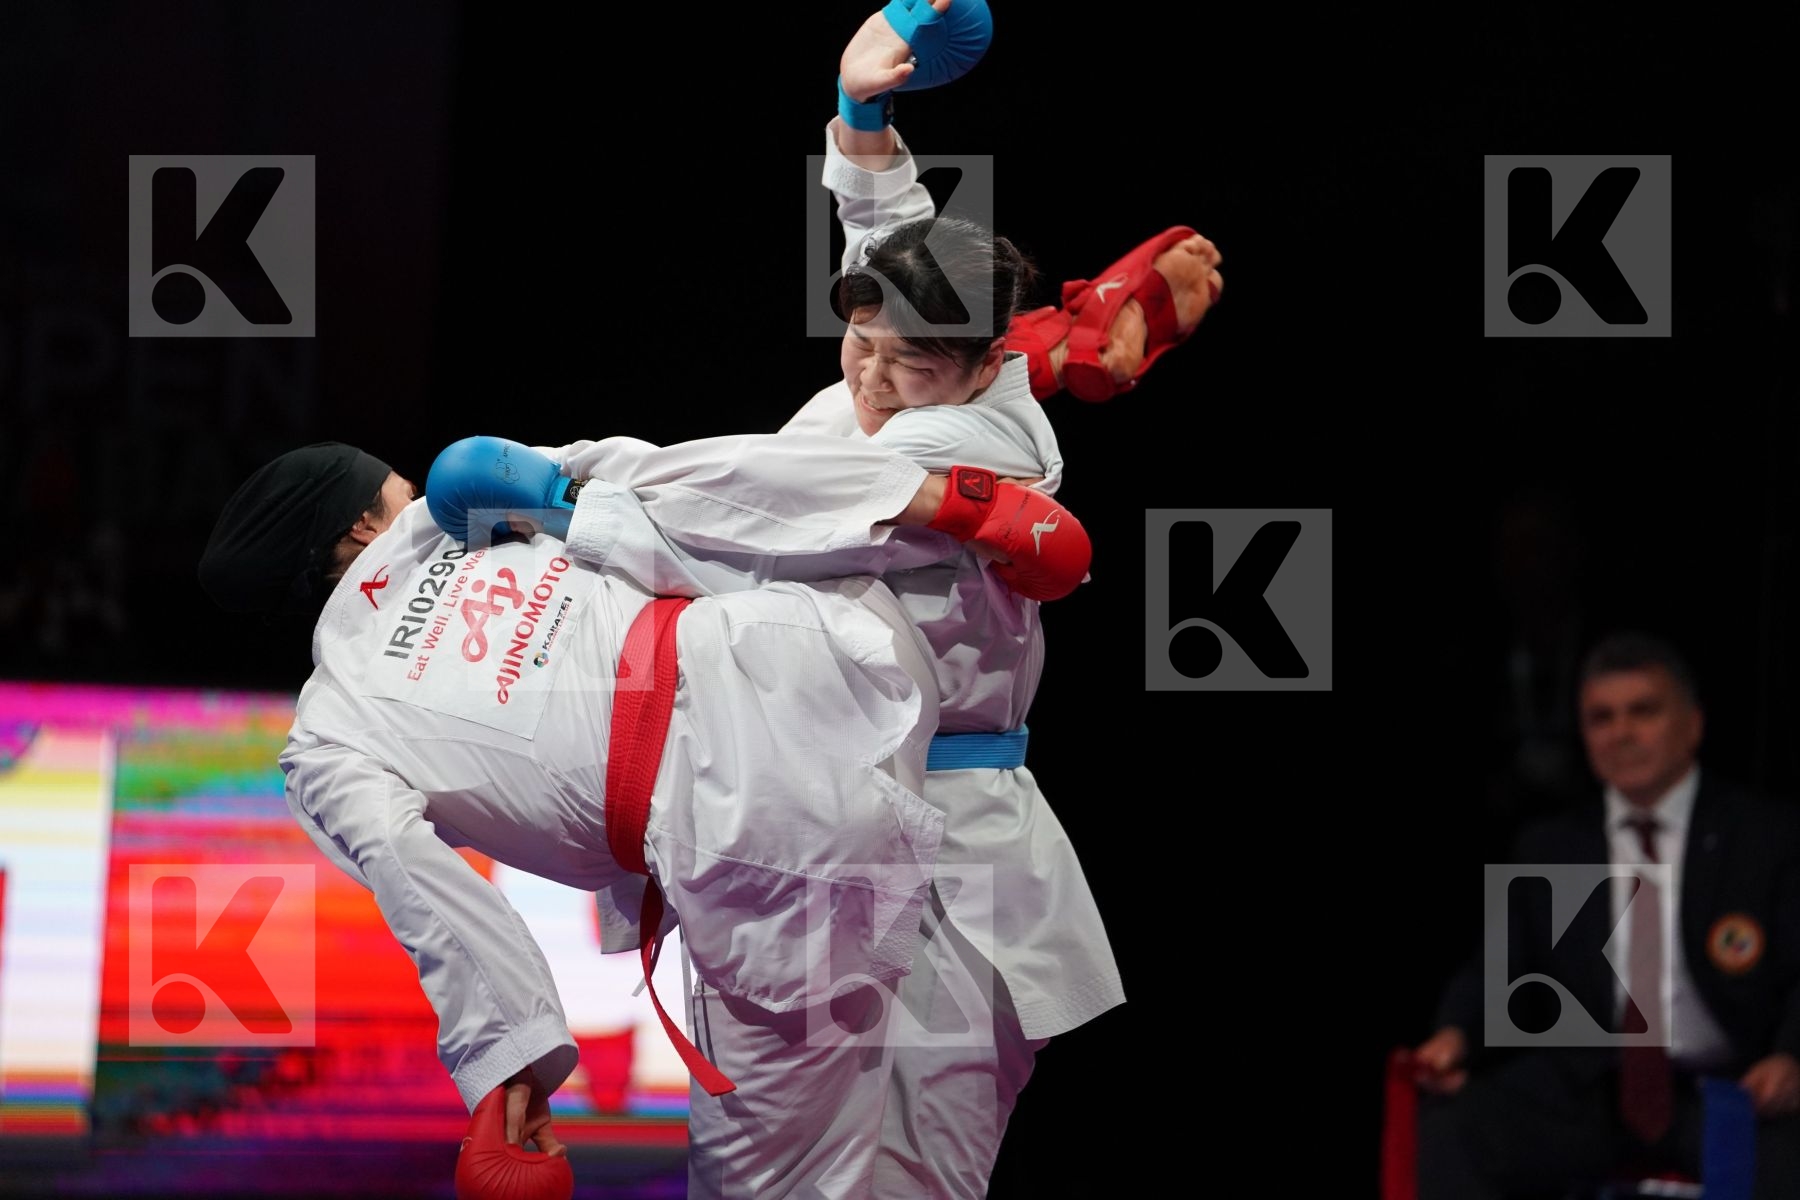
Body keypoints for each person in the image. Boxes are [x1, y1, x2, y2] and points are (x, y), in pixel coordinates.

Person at [196, 434, 1088, 1199]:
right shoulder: (460, 502)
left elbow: (418, 887)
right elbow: (677, 474)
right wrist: (567, 499)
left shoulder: (328, 734)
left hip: (763, 849)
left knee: (785, 1176)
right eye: (390, 487)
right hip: (827, 646)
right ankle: (954, 465)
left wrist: (507, 1071)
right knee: (669, 474)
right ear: (359, 526)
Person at [1412, 631, 1800, 1200]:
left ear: (1692, 724)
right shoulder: (1554, 845)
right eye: (1601, 718)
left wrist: (1792, 1056)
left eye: (1643, 711)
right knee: (1453, 1130)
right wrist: (1454, 1034)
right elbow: (1496, 972)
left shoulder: (1763, 837)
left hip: (1730, 1087)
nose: (1622, 733)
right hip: (1593, 1088)